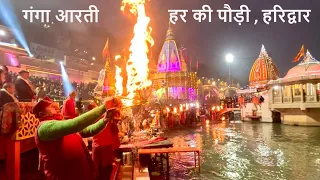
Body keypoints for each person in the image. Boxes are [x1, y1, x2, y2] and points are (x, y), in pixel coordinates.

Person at [34, 96, 121, 180]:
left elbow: (90, 130)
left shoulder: (62, 124)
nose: (57, 108)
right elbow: (76, 124)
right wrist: (104, 107)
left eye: (56, 106)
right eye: (52, 107)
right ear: (42, 113)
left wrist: (105, 120)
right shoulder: (44, 127)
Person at [92, 109, 121, 180]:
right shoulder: (108, 119)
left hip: (96, 149)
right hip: (105, 150)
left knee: (97, 173)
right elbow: (115, 137)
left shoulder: (96, 118)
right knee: (105, 173)